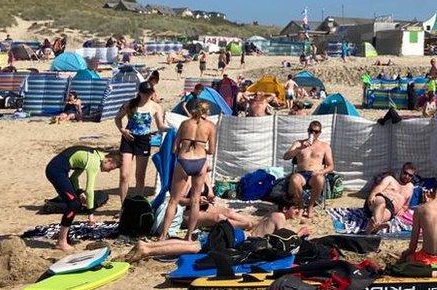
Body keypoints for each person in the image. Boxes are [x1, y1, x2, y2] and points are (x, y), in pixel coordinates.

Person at [123, 200, 302, 263]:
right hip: (238, 238)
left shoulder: (272, 215)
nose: (298, 213)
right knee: (194, 248)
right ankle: (148, 249)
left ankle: (148, 246)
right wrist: (300, 234)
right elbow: (284, 238)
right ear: (286, 208)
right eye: (296, 209)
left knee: (193, 244)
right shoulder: (280, 217)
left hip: (234, 234)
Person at [157, 101, 216, 240]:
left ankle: (163, 235)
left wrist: (186, 146)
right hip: (200, 162)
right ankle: (189, 236)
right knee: (195, 200)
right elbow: (212, 151)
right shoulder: (210, 126)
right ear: (207, 112)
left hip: (184, 160)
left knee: (173, 200)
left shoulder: (185, 124)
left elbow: (174, 149)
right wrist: (201, 148)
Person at [44, 147, 120, 252]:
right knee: (73, 204)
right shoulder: (94, 162)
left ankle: (64, 238)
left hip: (59, 170)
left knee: (75, 203)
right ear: (108, 160)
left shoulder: (94, 155)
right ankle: (61, 242)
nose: (108, 172)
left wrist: (79, 192)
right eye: (111, 168)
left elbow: (74, 178)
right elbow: (89, 190)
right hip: (56, 171)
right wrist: (91, 214)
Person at [114, 81, 167, 202]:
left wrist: (173, 128)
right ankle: (123, 205)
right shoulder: (130, 104)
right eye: (145, 93)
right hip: (128, 138)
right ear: (139, 93)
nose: (147, 95)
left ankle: (138, 203)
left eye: (149, 93)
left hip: (143, 140)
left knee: (140, 175)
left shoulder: (155, 107)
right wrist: (122, 130)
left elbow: (160, 126)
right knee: (124, 175)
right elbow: (117, 118)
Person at [282, 120, 334, 219]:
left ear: (320, 133)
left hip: (316, 174)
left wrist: (320, 172)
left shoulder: (325, 146)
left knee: (320, 179)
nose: (313, 133)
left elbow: (331, 166)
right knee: (294, 179)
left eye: (316, 131)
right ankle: (301, 205)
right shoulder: (298, 143)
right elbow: (285, 156)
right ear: (308, 131)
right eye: (311, 130)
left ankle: (310, 206)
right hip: (301, 174)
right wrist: (299, 148)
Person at [365, 163, 417, 234]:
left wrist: (403, 209)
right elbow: (379, 187)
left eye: (410, 175)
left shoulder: (410, 187)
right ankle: (377, 223)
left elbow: (406, 204)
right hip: (380, 198)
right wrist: (372, 195)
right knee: (382, 204)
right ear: (401, 171)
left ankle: (373, 226)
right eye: (405, 173)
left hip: (390, 208)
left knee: (386, 215)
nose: (407, 176)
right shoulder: (390, 179)